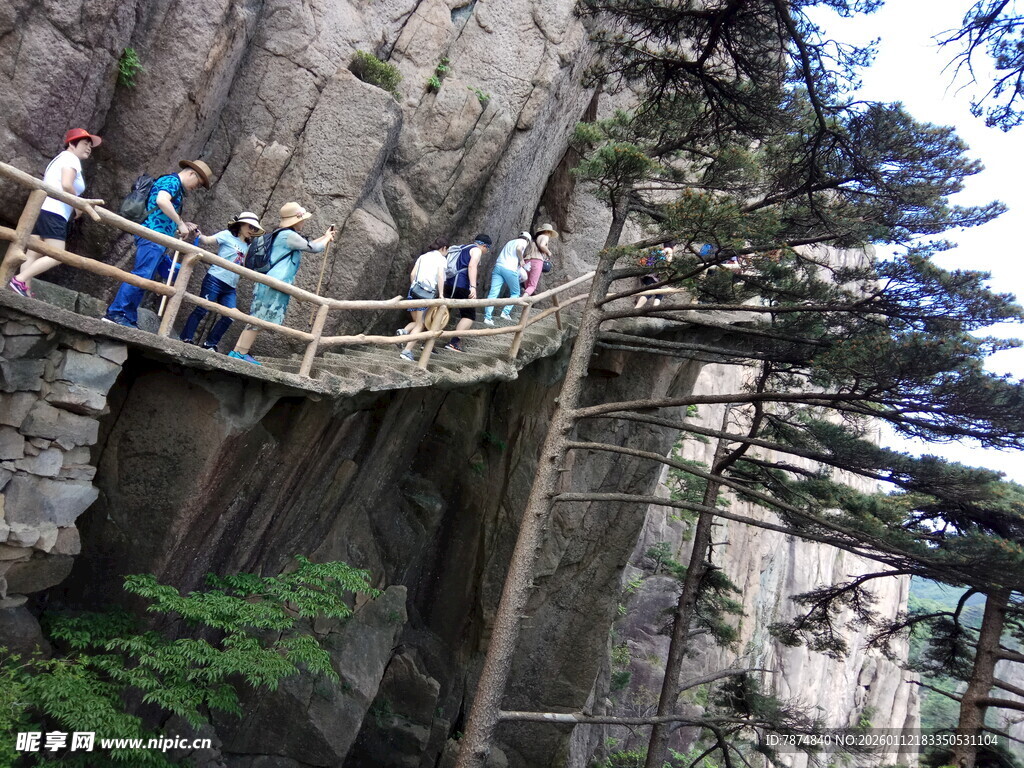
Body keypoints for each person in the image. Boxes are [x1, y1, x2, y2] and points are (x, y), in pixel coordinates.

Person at [104, 159, 214, 328]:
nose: (196, 188)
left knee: (145, 278)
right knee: (141, 275)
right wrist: (179, 223)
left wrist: (183, 224)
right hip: (152, 237)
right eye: (198, 183)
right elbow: (162, 201)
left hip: (158, 238)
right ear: (192, 173)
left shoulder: (173, 184)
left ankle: (128, 316)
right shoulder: (172, 181)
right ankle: (116, 313)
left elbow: (164, 211)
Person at [228, 202, 335, 365]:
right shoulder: (288, 236)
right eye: (302, 219)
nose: (303, 222)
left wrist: (325, 236)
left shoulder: (286, 235)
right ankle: (239, 353)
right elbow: (314, 248)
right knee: (258, 321)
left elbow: (310, 244)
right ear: (294, 220)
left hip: (272, 283)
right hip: (273, 284)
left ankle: (238, 352)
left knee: (257, 319)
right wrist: (327, 238)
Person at [9, 128, 102, 297]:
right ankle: (20, 280)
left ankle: (24, 291)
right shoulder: (70, 158)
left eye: (90, 145)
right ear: (72, 144)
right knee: (58, 255)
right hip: (54, 212)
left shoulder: (59, 158)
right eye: (84, 143)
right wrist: (78, 206)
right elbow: (66, 184)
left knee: (33, 252)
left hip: (41, 208)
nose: (88, 147)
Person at [178, 212, 265, 351]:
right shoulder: (226, 235)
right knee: (202, 308)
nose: (252, 231)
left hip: (231, 287)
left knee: (230, 316)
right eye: (250, 226)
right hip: (215, 279)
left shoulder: (248, 246)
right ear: (241, 224)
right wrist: (197, 232)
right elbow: (207, 240)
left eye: (255, 229)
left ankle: (210, 344)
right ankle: (186, 338)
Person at [399, 238, 449, 362]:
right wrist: (441, 294)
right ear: (443, 248)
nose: (447, 253)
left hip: (413, 291)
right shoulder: (441, 259)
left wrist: (414, 287)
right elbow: (440, 276)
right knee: (420, 324)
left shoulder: (423, 256)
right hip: (425, 294)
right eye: (447, 250)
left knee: (416, 321)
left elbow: (412, 274)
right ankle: (407, 351)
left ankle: (404, 331)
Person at [442, 234, 491, 352]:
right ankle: (454, 342)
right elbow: (472, 266)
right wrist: (473, 287)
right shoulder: (476, 250)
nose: (486, 251)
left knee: (443, 311)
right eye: (487, 249)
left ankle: (427, 341)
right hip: (461, 285)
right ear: (484, 246)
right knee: (469, 315)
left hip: (447, 283)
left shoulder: (463, 247)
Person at [483, 232, 532, 325]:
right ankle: (505, 312)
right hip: (509, 269)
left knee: (493, 293)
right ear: (528, 240)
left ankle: (487, 317)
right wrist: (521, 260)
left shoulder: (511, 241)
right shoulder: (523, 242)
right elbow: (518, 249)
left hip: (498, 267)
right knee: (515, 293)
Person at [635, 243, 675, 309]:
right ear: (673, 246)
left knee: (659, 294)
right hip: (653, 276)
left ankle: (654, 309)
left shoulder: (656, 251)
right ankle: (637, 308)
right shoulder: (669, 250)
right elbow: (668, 263)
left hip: (646, 275)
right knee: (650, 293)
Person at [522, 223, 557, 296]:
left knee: (527, 284)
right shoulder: (545, 236)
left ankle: (522, 299)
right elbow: (542, 245)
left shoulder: (533, 240)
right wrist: (548, 252)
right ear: (548, 231)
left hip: (527, 261)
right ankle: (522, 299)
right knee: (532, 285)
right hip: (537, 261)